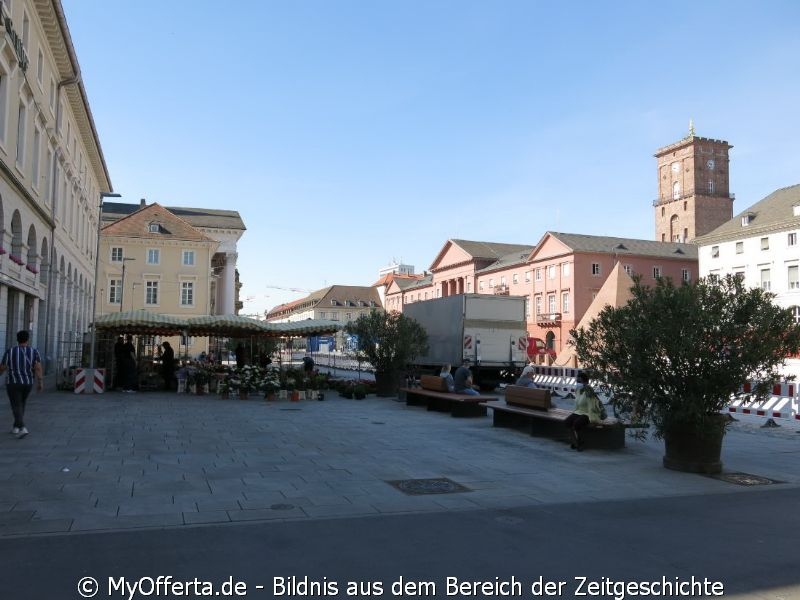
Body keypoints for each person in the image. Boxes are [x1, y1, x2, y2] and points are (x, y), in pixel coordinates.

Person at [0, 330, 43, 438]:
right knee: (21, 403)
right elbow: (38, 368)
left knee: (16, 404)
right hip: (28, 383)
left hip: (13, 382)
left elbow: (2, 367)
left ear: (17, 339)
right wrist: (40, 382)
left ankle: (22, 427)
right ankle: (16, 427)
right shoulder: (34, 352)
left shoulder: (10, 352)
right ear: (27, 340)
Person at [565, 371, 603, 451]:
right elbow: (577, 404)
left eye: (579, 381)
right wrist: (574, 413)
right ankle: (575, 442)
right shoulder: (578, 390)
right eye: (577, 381)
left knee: (577, 424)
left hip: (588, 413)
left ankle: (580, 443)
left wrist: (592, 418)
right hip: (579, 411)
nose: (577, 383)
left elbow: (592, 405)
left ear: (585, 381)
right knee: (567, 422)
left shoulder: (589, 390)